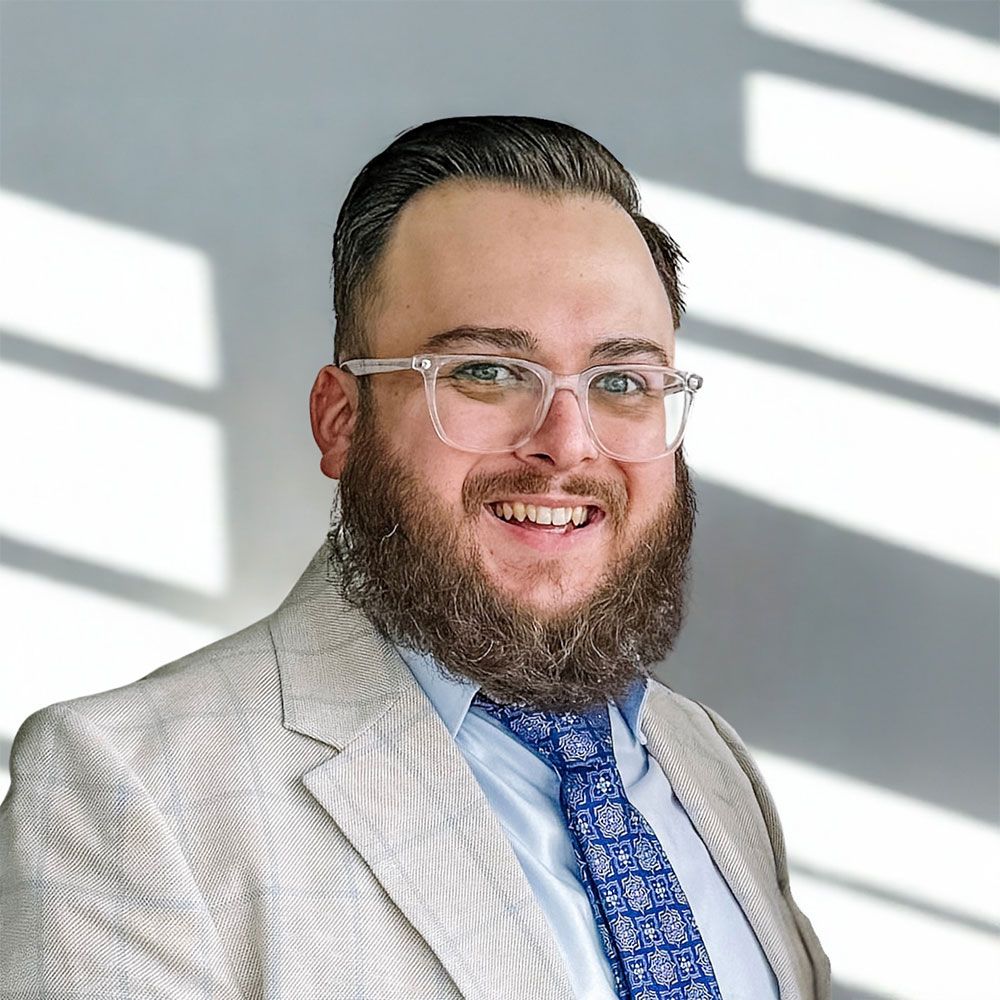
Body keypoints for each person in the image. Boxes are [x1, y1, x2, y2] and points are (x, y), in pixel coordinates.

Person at [0, 116, 829, 1000]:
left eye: (621, 381)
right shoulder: (131, 793)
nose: (568, 445)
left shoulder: (705, 759)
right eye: (486, 371)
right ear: (341, 419)